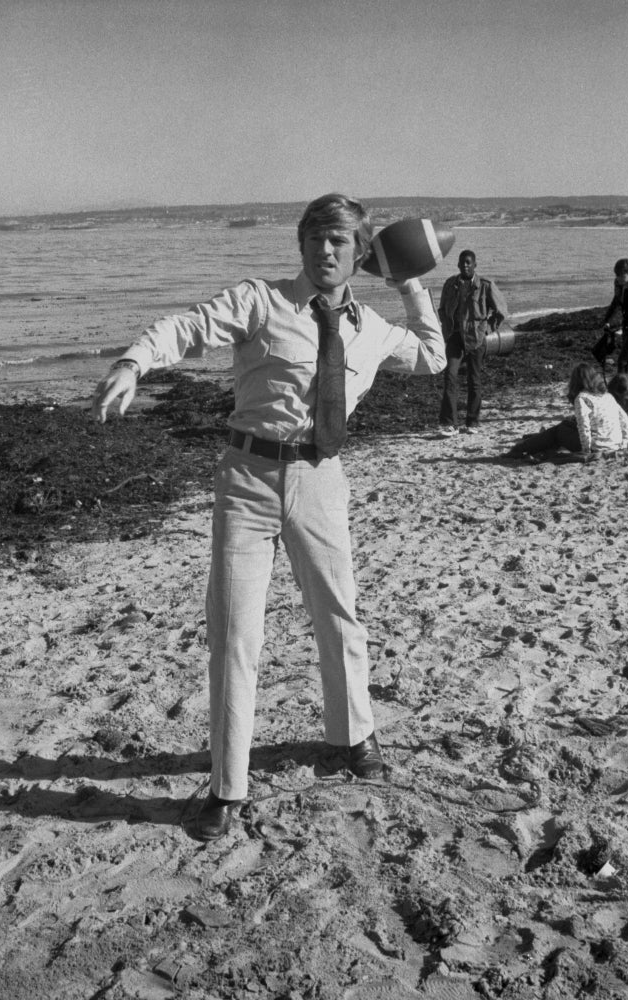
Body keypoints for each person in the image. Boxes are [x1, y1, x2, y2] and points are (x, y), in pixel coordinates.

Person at [91, 194, 445, 841]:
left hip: (320, 481)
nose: (326, 249)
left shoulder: (371, 327)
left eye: (340, 240)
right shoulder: (261, 302)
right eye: (315, 237)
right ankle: (227, 788)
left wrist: (412, 280)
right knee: (234, 634)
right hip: (247, 479)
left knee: (340, 616)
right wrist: (133, 361)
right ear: (301, 245)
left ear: (360, 252)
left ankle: (352, 738)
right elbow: (187, 327)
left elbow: (433, 355)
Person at [437, 249, 509, 436]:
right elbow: (443, 309)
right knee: (450, 376)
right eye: (463, 263)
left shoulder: (485, 285)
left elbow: (501, 311)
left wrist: (486, 330)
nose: (465, 266)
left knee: (474, 380)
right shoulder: (450, 284)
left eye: (469, 263)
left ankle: (472, 422)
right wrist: (447, 330)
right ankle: (449, 424)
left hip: (476, 340)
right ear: (458, 265)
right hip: (455, 338)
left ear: (475, 265)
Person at [506, 362, 628, 460]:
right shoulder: (607, 396)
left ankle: (520, 448)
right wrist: (623, 444)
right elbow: (625, 421)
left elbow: (584, 426)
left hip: (596, 447)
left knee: (558, 431)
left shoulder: (582, 397)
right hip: (614, 446)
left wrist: (586, 451)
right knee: (566, 425)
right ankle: (531, 444)